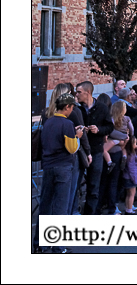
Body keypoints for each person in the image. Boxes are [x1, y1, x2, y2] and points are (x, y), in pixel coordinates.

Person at [38, 93, 83, 252]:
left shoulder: (48, 121)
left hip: (48, 166)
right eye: (71, 107)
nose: (72, 110)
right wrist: (77, 136)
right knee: (61, 207)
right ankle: (58, 247)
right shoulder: (67, 124)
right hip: (63, 167)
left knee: (45, 204)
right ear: (67, 107)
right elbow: (72, 148)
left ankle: (40, 243)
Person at [75, 80, 114, 214]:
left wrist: (98, 130)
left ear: (88, 92)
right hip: (80, 150)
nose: (77, 94)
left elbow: (109, 127)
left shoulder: (101, 108)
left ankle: (91, 213)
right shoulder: (77, 109)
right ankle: (74, 212)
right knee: (76, 184)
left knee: (93, 185)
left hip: (96, 149)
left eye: (79, 92)